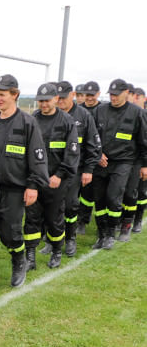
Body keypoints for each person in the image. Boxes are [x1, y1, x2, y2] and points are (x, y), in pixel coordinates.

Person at [0, 74, 48, 290]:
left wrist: (33, 185)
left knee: (10, 231)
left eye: (2, 95)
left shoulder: (27, 123)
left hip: (15, 189)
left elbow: (38, 156)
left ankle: (19, 262)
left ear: (15, 95)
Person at [27, 83, 79, 268]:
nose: (43, 104)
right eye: (40, 101)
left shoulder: (67, 121)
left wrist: (59, 175)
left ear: (56, 99)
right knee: (32, 218)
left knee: (54, 218)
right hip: (36, 179)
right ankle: (30, 256)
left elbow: (72, 152)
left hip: (57, 180)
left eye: (47, 101)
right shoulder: (32, 119)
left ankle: (57, 250)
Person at [90, 79, 147, 249]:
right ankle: (101, 234)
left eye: (116, 95)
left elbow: (144, 140)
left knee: (114, 197)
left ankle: (110, 233)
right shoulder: (100, 111)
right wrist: (98, 153)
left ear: (126, 94)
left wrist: (144, 164)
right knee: (99, 199)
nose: (113, 97)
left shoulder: (137, 113)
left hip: (124, 161)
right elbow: (92, 136)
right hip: (102, 161)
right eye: (111, 94)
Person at [54, 80, 101, 256]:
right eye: (57, 98)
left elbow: (93, 145)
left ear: (72, 95)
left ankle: (71, 238)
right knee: (53, 206)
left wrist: (88, 169)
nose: (60, 102)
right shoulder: (51, 115)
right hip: (53, 169)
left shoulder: (83, 116)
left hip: (75, 169)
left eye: (63, 98)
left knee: (70, 205)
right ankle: (54, 239)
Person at [77, 81, 102, 233]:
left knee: (88, 192)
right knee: (78, 191)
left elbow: (103, 135)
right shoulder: (79, 110)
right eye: (87, 95)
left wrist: (100, 153)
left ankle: (83, 220)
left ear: (98, 94)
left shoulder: (103, 110)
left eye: (92, 95)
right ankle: (77, 219)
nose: (89, 98)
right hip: (79, 156)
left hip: (96, 157)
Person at [133, 88, 147, 233]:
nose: (135, 99)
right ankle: (125, 219)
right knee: (129, 192)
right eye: (133, 96)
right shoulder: (133, 115)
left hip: (144, 159)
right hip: (132, 159)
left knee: (142, 192)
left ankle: (138, 219)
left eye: (138, 97)